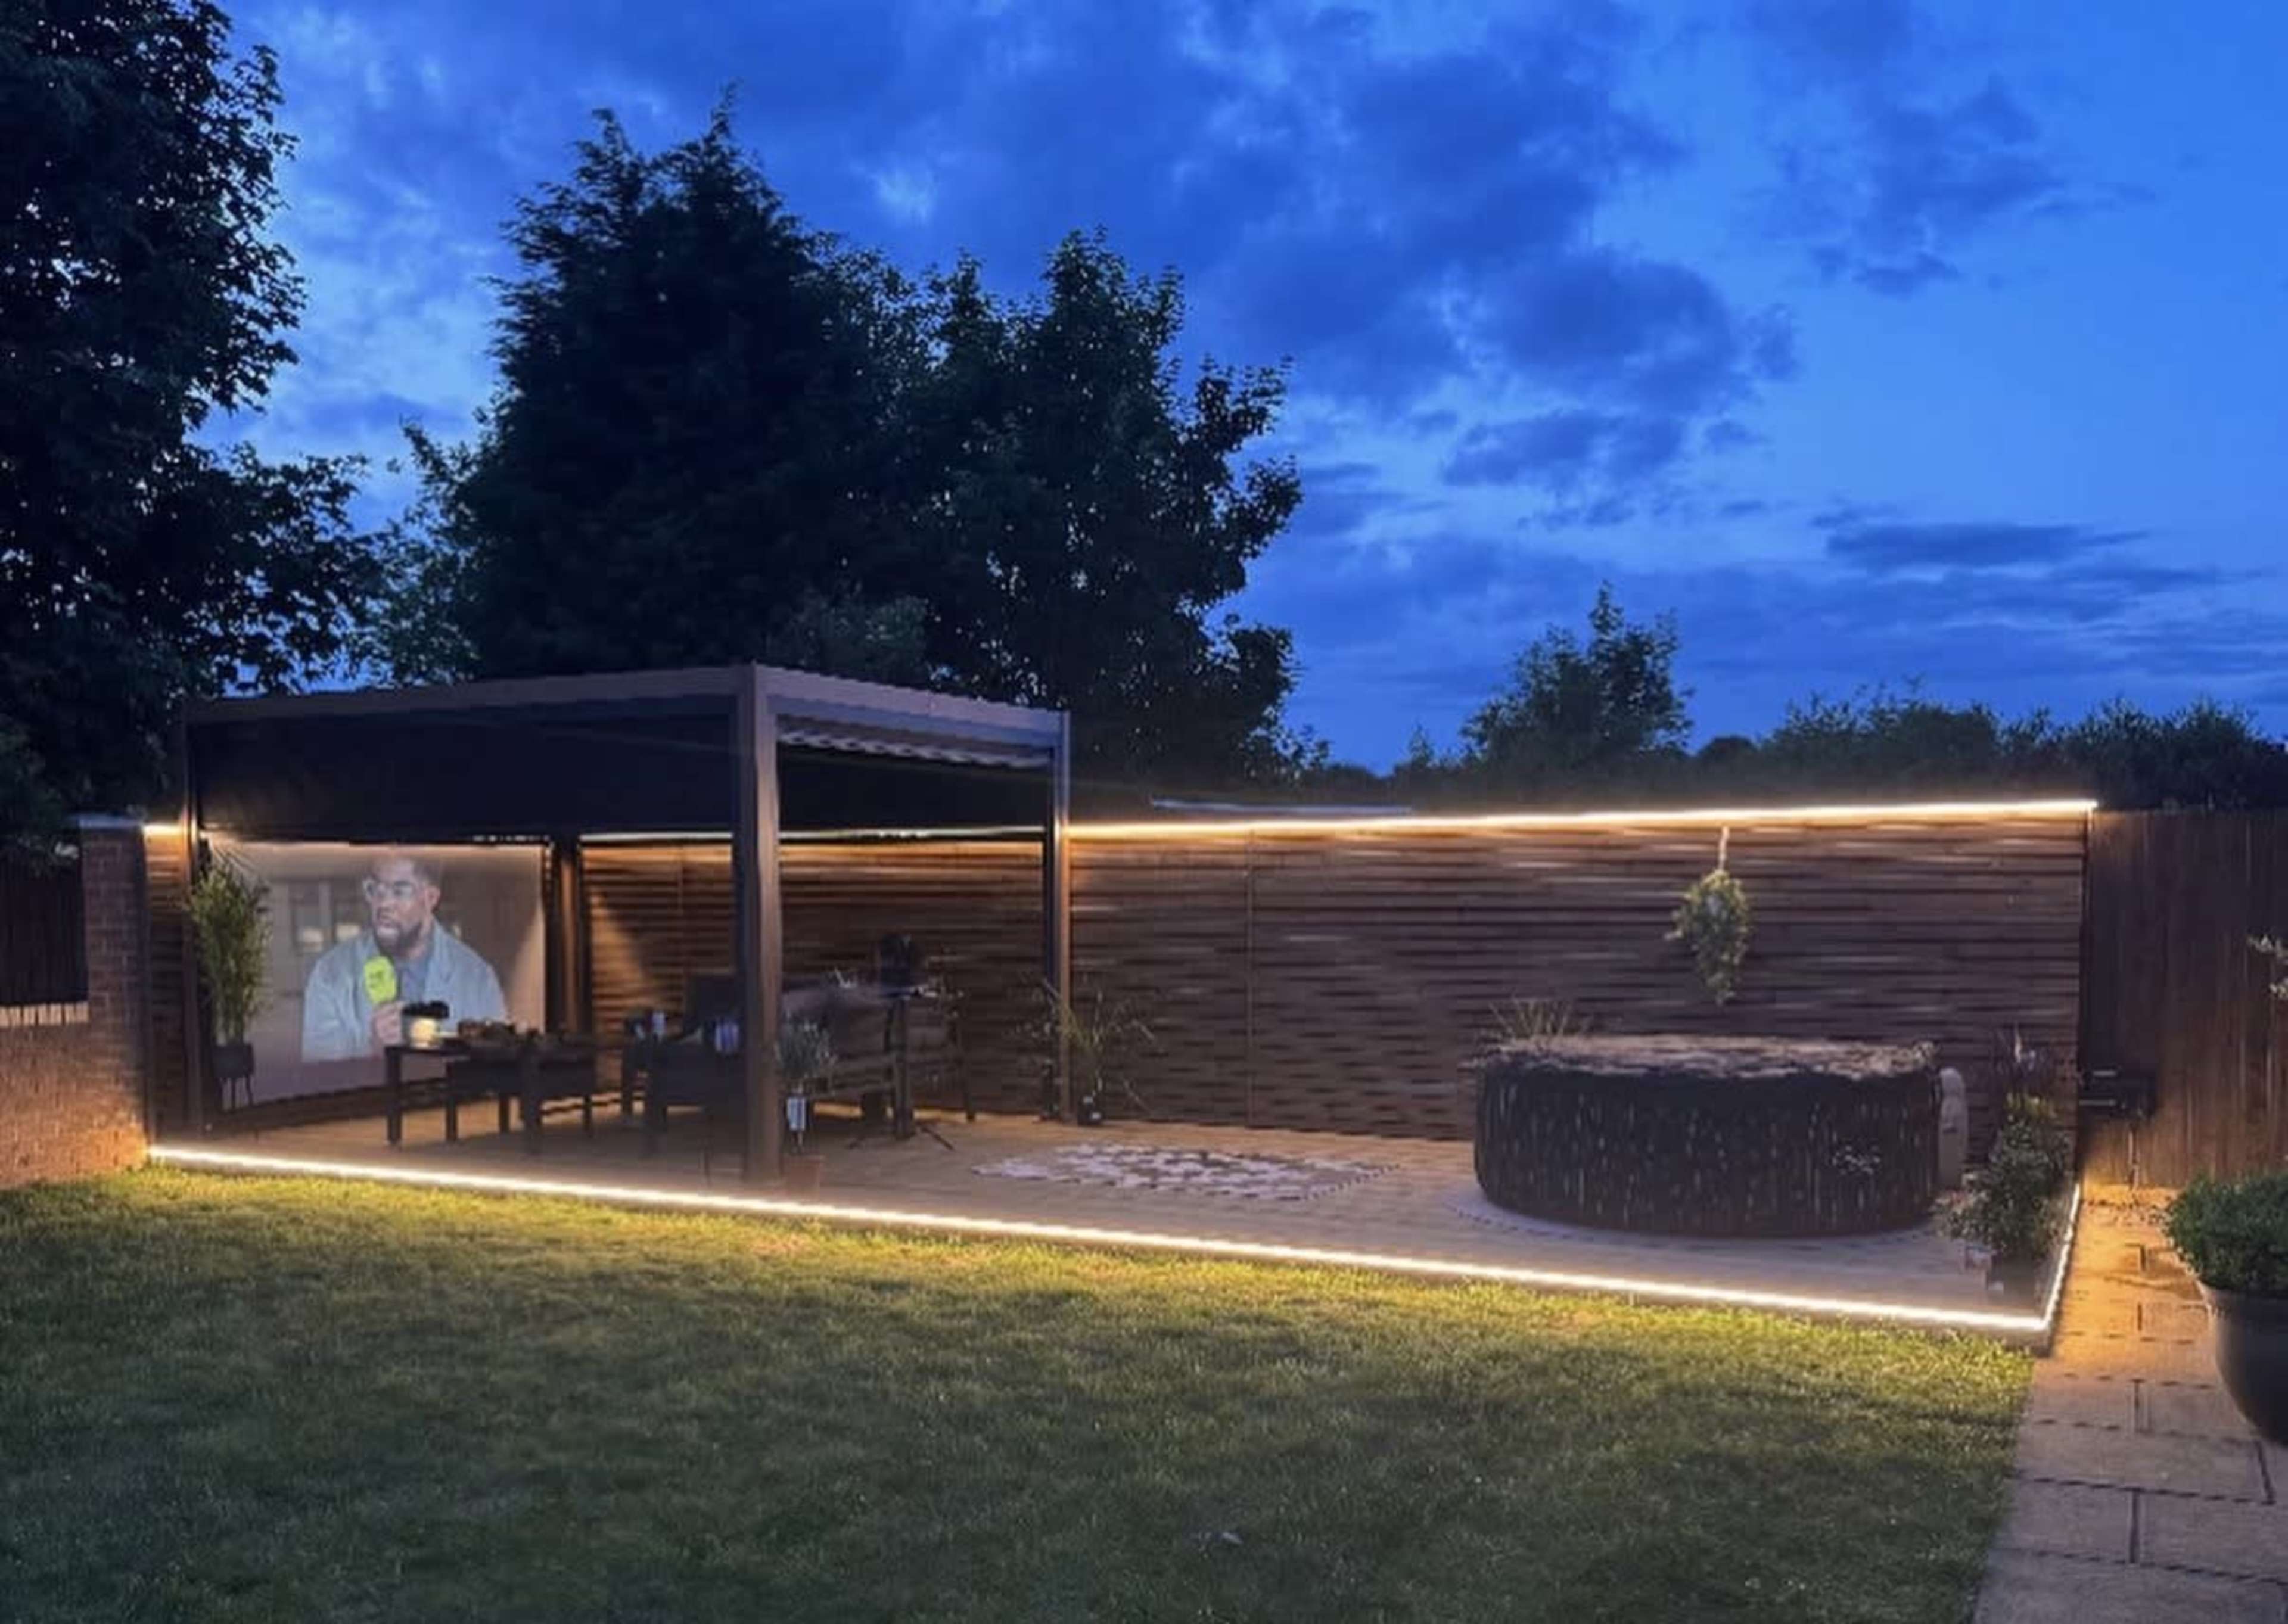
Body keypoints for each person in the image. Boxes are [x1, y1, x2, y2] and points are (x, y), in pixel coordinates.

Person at [301, 850, 508, 1061]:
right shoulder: (329, 974)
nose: (383, 904)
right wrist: (371, 1049)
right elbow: (316, 1078)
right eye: (375, 890)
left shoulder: (478, 979)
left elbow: (497, 1072)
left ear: (431, 898)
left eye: (400, 891)